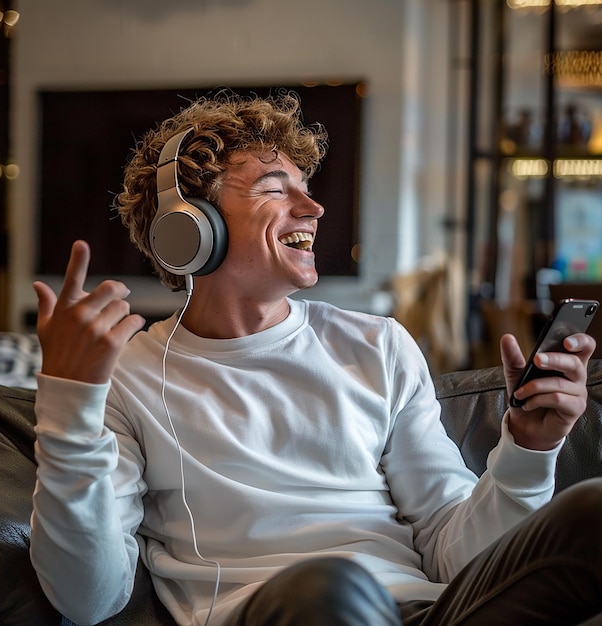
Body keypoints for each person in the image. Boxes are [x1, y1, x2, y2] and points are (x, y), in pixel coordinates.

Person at [30, 91, 602, 626]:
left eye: (305, 186)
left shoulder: (379, 344)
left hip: (424, 614)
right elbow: (87, 599)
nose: (314, 207)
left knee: (592, 510)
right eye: (276, 189)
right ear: (189, 227)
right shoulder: (127, 375)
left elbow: (453, 555)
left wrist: (529, 448)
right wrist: (69, 405)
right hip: (287, 610)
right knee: (328, 587)